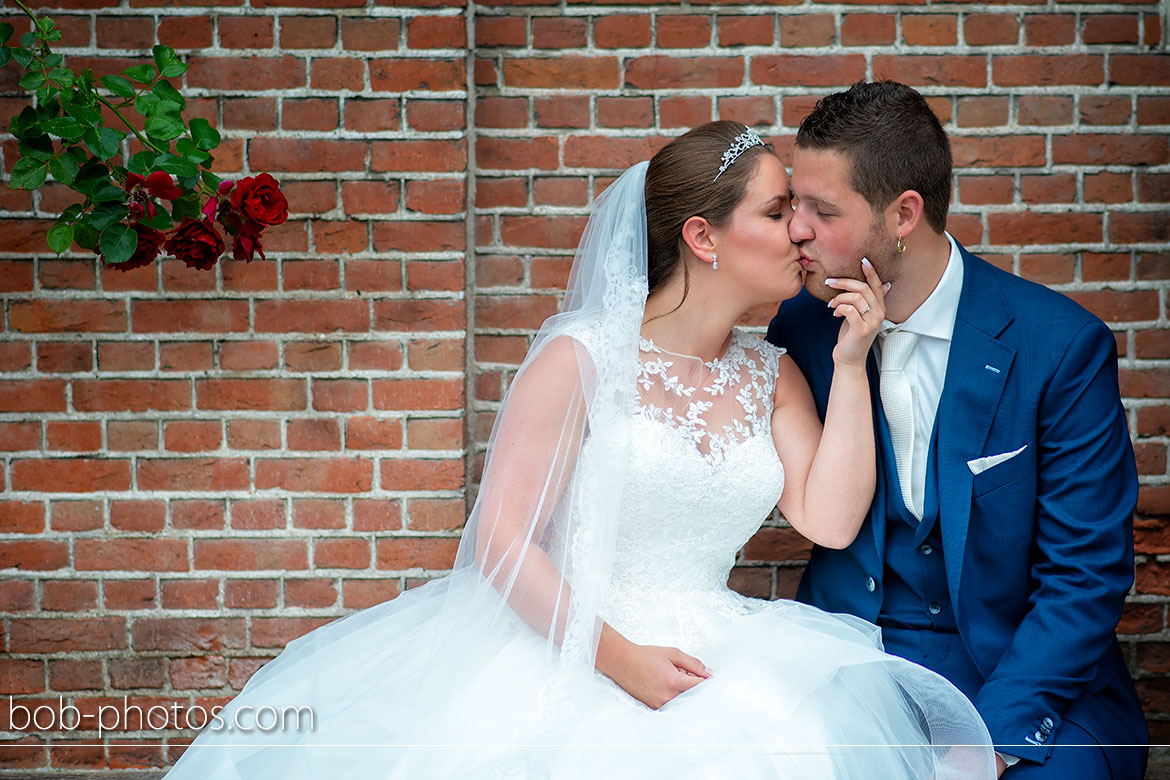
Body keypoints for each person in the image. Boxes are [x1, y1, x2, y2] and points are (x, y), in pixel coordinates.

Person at [163, 121, 995, 779]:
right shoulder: (582, 359)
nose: (802, 234)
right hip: (569, 647)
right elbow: (499, 541)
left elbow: (833, 519)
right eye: (777, 213)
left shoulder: (773, 373)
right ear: (704, 238)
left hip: (716, 649)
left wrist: (850, 366)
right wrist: (615, 657)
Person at [767, 81, 1147, 779]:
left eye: (822, 210)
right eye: (794, 205)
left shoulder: (1058, 347)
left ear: (904, 214)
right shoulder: (799, 331)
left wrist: (991, 744)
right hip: (850, 674)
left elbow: (1085, 576)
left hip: (1019, 681)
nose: (797, 229)